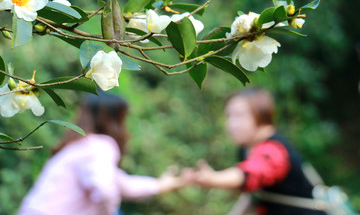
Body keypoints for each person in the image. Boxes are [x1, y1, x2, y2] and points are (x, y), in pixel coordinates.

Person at [18, 93, 189, 215]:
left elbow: (122, 183)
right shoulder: (100, 146)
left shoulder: (79, 147)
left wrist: (162, 184)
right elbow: (106, 190)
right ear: (114, 119)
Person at [191, 88, 326, 215]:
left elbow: (251, 173)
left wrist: (214, 178)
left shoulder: (274, 150)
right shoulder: (246, 147)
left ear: (261, 115)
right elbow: (254, 191)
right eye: (229, 116)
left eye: (239, 116)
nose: (232, 124)